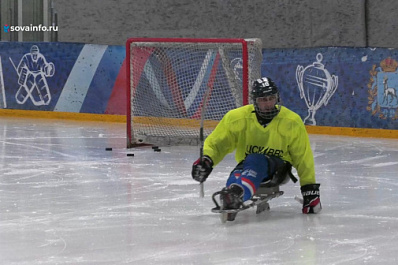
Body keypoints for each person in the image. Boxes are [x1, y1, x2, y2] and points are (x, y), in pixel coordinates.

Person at [191, 77, 321, 218]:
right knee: (237, 174)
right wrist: (207, 160)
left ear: (277, 98)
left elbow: (303, 157)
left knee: (255, 158)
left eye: (271, 98)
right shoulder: (236, 118)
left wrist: (310, 189)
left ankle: (237, 194)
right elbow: (217, 144)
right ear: (255, 101)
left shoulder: (292, 121)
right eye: (263, 100)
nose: (268, 104)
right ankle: (231, 194)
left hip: (278, 169)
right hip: (247, 167)